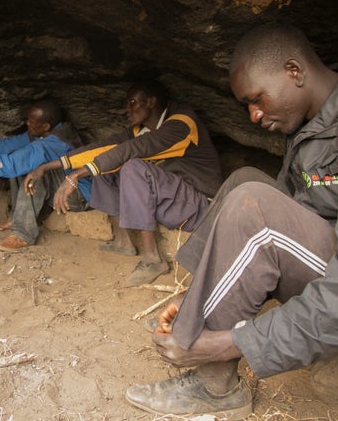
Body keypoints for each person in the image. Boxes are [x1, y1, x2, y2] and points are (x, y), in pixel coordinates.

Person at [125, 24, 338, 419]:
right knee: (246, 180)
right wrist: (203, 294)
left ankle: (215, 385)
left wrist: (232, 342)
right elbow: (296, 207)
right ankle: (197, 305)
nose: (253, 115)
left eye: (256, 99)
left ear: (294, 71)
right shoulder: (313, 124)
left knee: (255, 208)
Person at [26, 80, 222, 286]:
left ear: (151, 102)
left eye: (132, 102)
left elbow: (134, 148)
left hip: (196, 204)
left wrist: (75, 176)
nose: (127, 109)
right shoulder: (141, 129)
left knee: (131, 167)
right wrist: (46, 167)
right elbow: (105, 148)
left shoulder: (181, 124)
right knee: (105, 163)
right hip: (169, 200)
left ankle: (153, 259)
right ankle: (123, 241)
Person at [0, 100, 90, 251]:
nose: (27, 123)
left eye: (32, 122)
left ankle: (22, 234)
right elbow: (6, 145)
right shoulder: (40, 134)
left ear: (46, 126)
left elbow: (28, 155)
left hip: (76, 196)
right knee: (18, 160)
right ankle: (16, 218)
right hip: (60, 192)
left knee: (36, 171)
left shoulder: (60, 141)